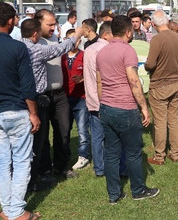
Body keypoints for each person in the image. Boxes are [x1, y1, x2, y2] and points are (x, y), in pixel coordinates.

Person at [96, 15, 159, 203]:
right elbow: (133, 80)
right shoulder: (127, 50)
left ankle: (114, 194)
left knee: (112, 153)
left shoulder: (102, 52)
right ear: (128, 31)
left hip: (106, 106)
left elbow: (99, 81)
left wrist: (103, 103)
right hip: (125, 108)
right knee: (133, 152)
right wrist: (144, 107)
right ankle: (138, 190)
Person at [20, 16, 82, 190]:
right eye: (50, 24)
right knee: (41, 137)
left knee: (63, 130)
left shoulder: (52, 39)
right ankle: (42, 172)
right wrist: (77, 34)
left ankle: (61, 166)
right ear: (37, 29)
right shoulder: (36, 47)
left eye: (55, 23)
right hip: (40, 97)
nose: (54, 27)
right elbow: (62, 49)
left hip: (58, 93)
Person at [0, 2, 41, 220]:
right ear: (10, 21)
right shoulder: (18, 48)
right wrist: (33, 113)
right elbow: (28, 86)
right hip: (16, 111)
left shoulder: (17, 47)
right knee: (22, 160)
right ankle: (15, 210)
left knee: (2, 161)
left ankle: (8, 207)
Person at [145, 10, 178, 165]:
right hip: (176, 82)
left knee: (160, 121)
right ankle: (175, 153)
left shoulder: (156, 40)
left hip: (160, 83)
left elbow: (150, 64)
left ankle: (159, 156)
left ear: (154, 25)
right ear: (167, 22)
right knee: (174, 119)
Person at [83, 21, 112, 177]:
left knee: (96, 136)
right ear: (106, 34)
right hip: (106, 97)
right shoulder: (105, 49)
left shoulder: (89, 49)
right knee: (112, 136)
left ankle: (99, 168)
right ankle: (111, 166)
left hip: (92, 98)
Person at [61, 29, 91, 171]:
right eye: (71, 39)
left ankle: (83, 156)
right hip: (64, 98)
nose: (74, 42)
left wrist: (83, 79)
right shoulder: (61, 57)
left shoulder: (85, 56)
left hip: (80, 98)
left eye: (77, 39)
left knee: (82, 130)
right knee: (64, 130)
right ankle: (64, 156)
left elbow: (92, 75)